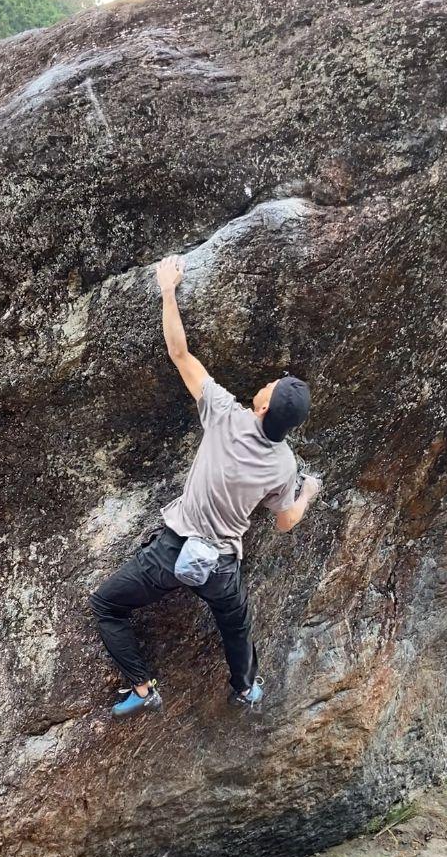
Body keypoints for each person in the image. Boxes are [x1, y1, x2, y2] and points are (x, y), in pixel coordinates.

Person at [90, 254, 320, 719]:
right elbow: (285, 522)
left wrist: (167, 290)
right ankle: (245, 689)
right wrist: (309, 490)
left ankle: (142, 687)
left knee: (105, 606)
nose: (268, 382)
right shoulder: (284, 465)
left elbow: (179, 353)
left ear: (263, 407)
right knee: (236, 626)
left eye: (271, 386)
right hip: (220, 565)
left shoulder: (225, 415)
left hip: (172, 552)